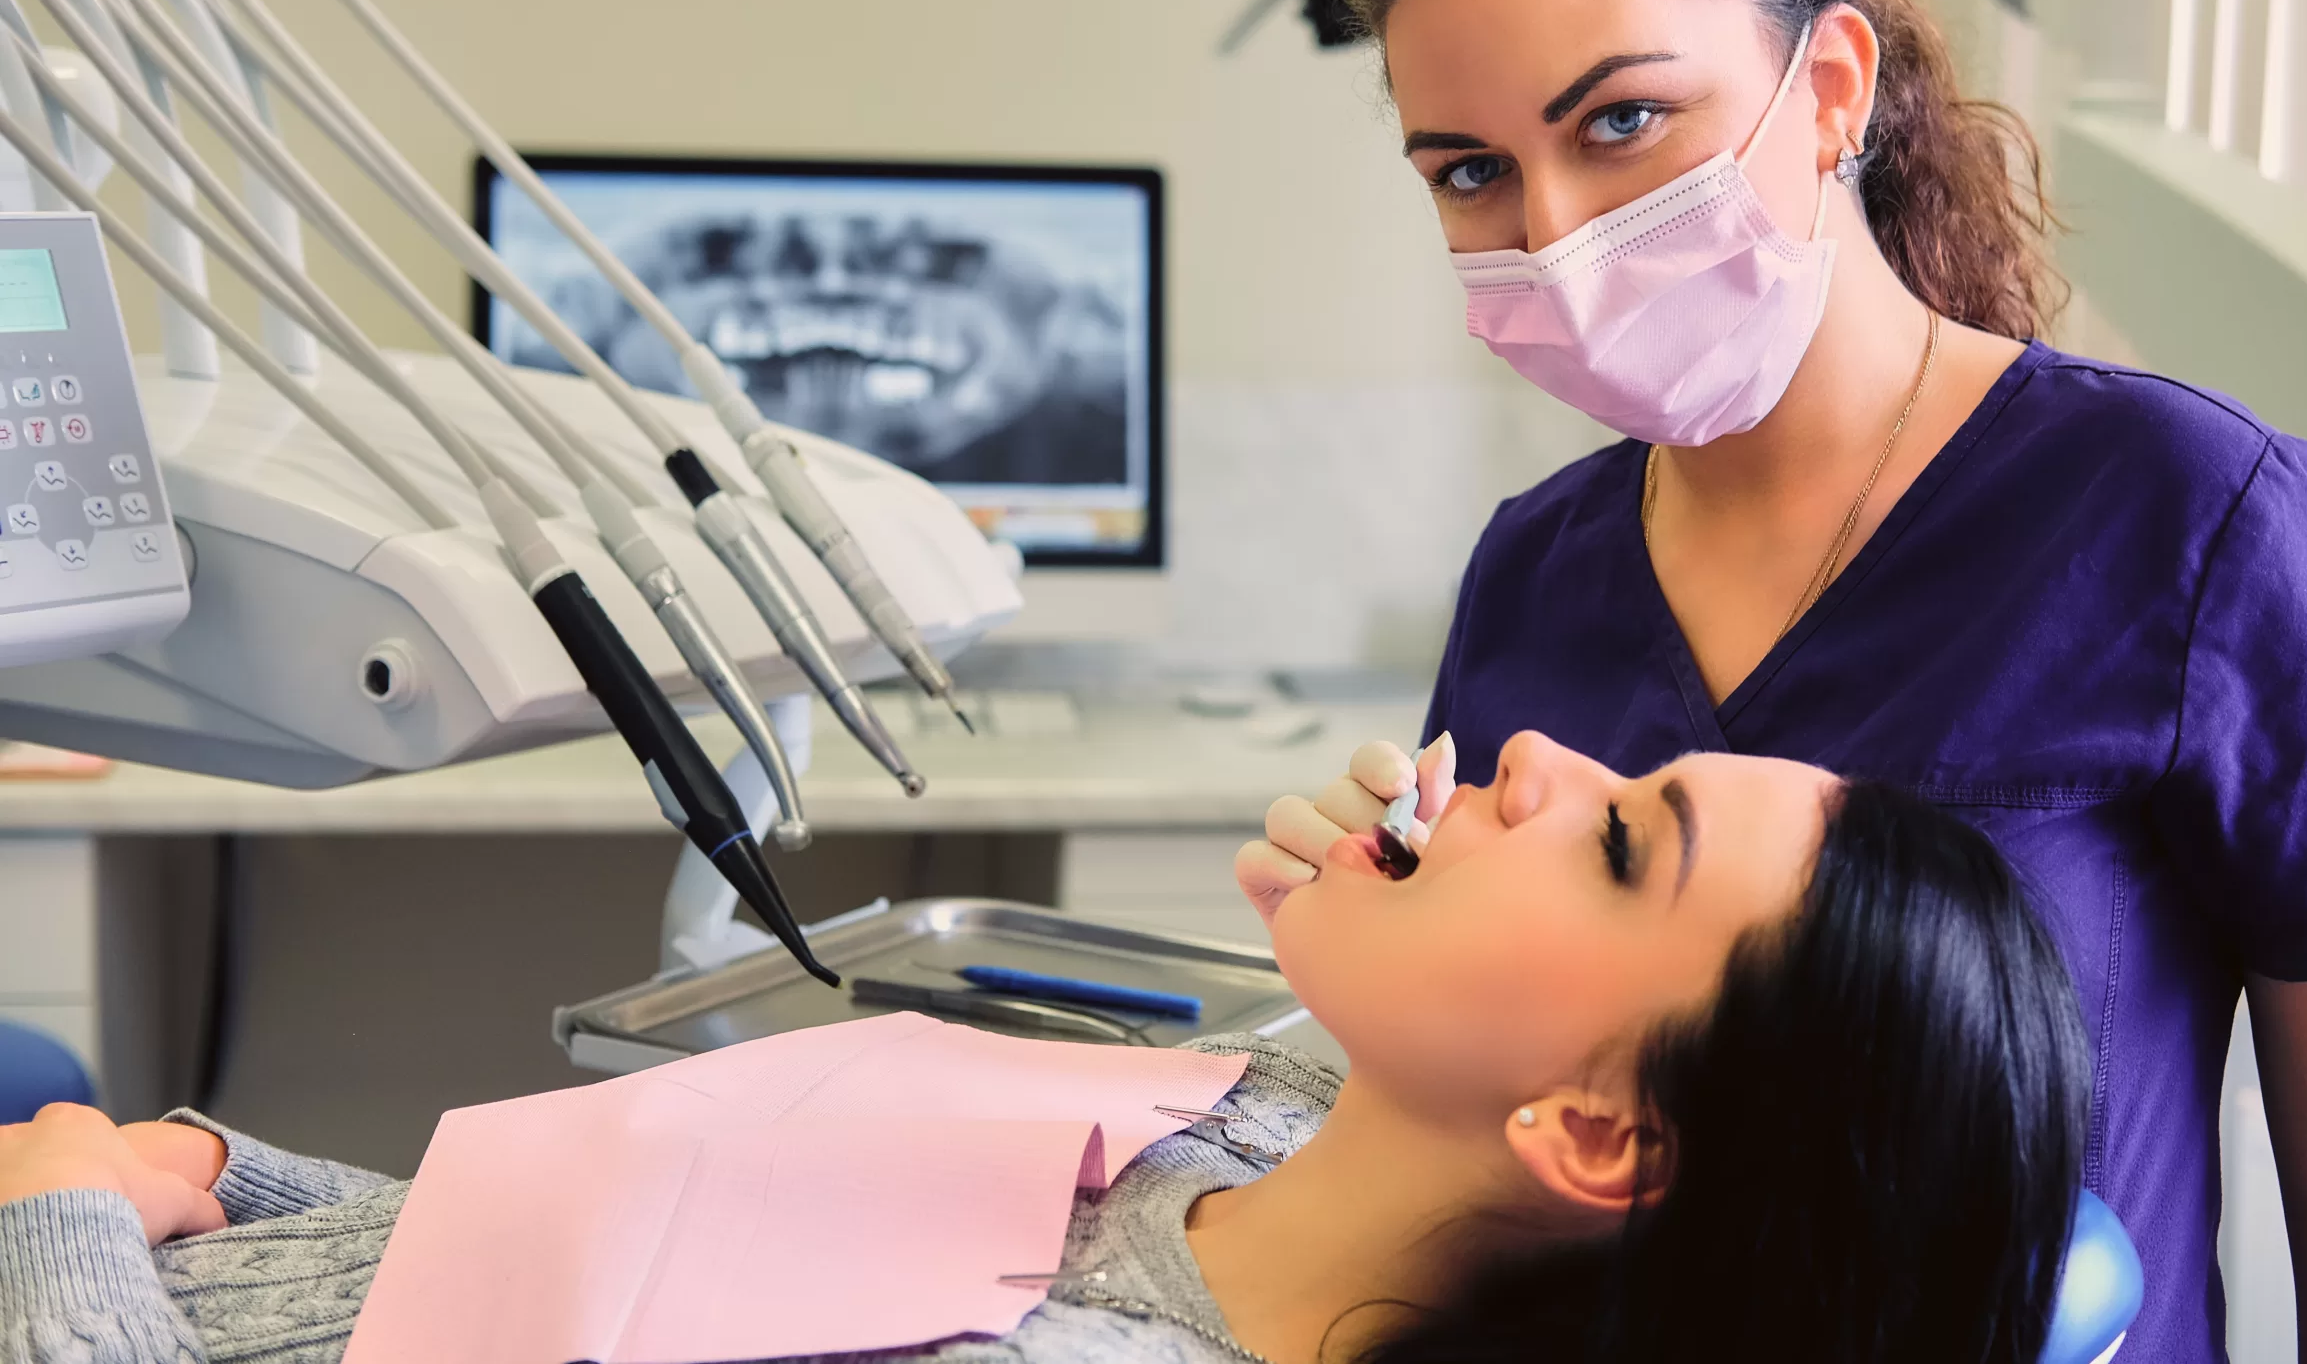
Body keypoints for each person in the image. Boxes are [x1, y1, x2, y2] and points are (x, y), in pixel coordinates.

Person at [1236, 0, 2307, 1360]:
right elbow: (1529, 1138)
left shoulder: (2180, 515)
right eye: (1472, 171)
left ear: (1829, 89)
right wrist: (1383, 917)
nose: (1551, 232)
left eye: (1622, 119)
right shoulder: (1534, 571)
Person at [0, 741, 2089, 1364]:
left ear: (1590, 1134)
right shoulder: (1243, 1127)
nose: (1535, 753)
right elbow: (567, 1274)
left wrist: (71, 1229)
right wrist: (212, 1169)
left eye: (1624, 835)